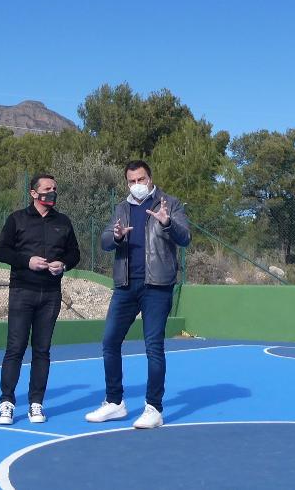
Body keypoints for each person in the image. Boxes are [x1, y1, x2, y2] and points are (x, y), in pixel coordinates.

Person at [84, 160, 190, 429]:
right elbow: (106, 241)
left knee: (153, 347)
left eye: (141, 179)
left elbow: (185, 237)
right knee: (109, 342)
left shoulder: (170, 203)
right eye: (131, 181)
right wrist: (116, 236)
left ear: (150, 179)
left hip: (157, 285)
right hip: (125, 285)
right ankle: (115, 403)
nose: (137, 185)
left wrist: (167, 223)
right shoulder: (122, 207)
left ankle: (154, 408)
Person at [0, 174, 81, 425]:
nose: (51, 192)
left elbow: (74, 253)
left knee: (42, 350)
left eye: (54, 188)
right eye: (46, 189)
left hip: (51, 294)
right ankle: (7, 402)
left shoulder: (63, 222)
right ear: (33, 193)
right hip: (22, 291)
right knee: (16, 348)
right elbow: (1, 251)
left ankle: (36, 403)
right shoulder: (17, 219)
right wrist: (26, 261)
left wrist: (63, 264)